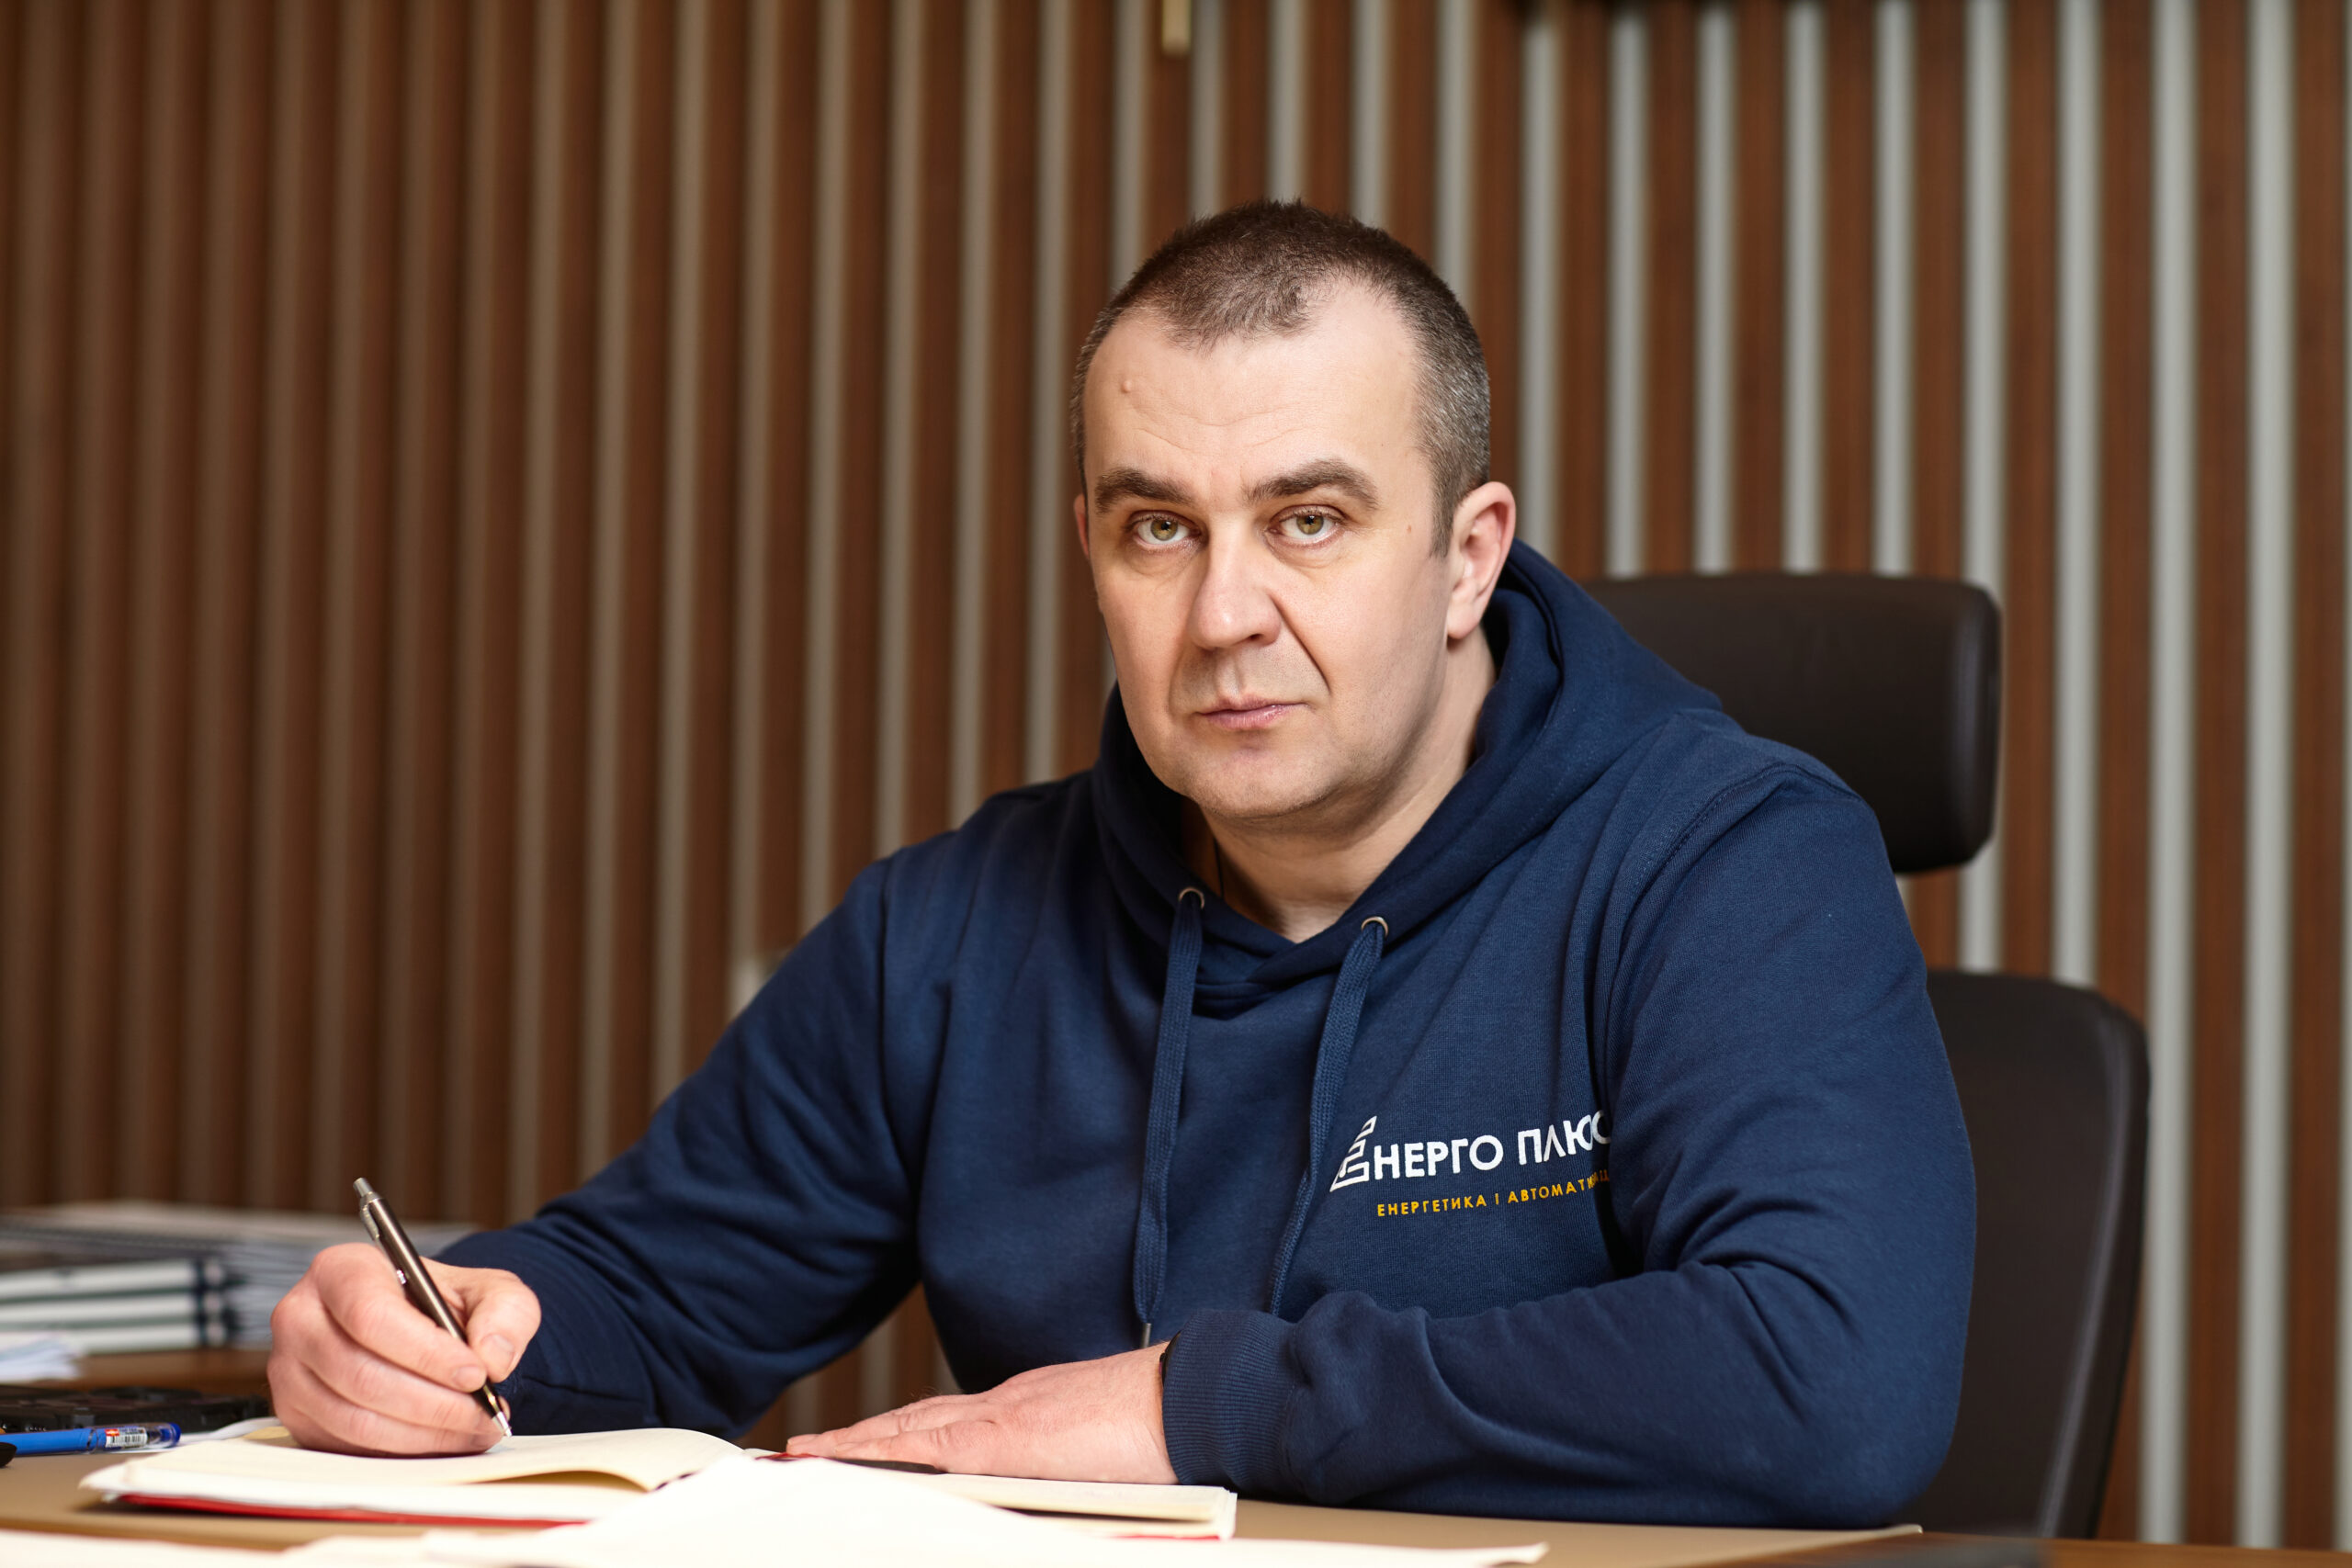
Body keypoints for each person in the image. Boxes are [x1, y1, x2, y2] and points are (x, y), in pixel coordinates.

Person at [268, 202, 1973, 1526]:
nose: (1225, 614)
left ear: (1469, 559)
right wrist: (444, 1339)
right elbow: (646, 1299)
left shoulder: (1728, 864)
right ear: (1092, 547)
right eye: (1161, 527)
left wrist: (1185, 1408)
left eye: (1309, 520)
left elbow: (1830, 1380)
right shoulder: (955, 927)